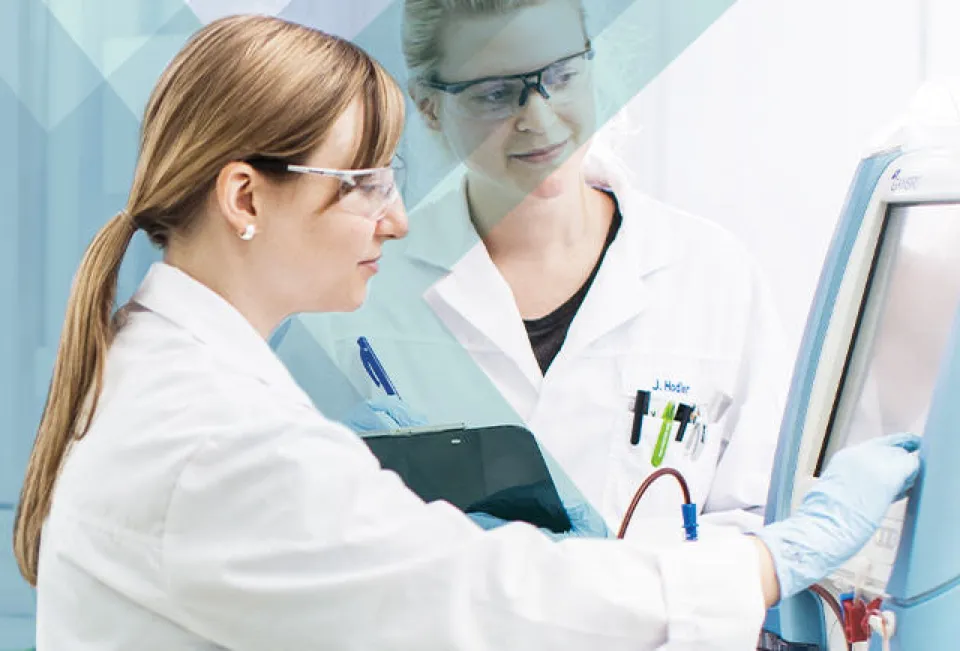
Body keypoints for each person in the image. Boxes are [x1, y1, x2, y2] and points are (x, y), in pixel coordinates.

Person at [12, 13, 921, 650]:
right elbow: (473, 597)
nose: (397, 218)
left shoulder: (176, 369)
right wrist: (768, 562)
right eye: (362, 183)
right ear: (246, 196)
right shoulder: (212, 438)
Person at [271, 0, 791, 537]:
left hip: (657, 620)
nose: (540, 119)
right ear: (429, 107)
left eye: (562, 76)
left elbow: (753, 520)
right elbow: (296, 526)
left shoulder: (712, 273)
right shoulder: (360, 285)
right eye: (496, 94)